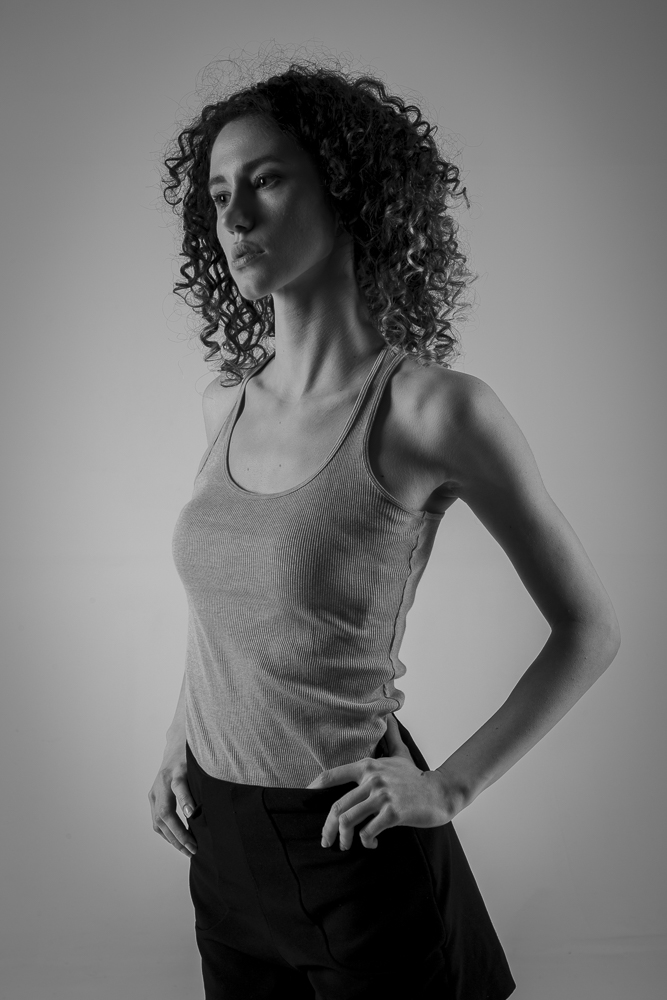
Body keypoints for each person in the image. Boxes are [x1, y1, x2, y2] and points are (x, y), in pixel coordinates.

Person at [148, 59, 620, 999]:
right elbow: (232, 618)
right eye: (219, 193)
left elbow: (589, 630)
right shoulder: (222, 407)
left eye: (267, 180)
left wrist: (448, 787)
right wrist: (178, 737)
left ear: (347, 192)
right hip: (219, 843)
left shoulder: (433, 411)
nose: (235, 216)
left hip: (349, 842)